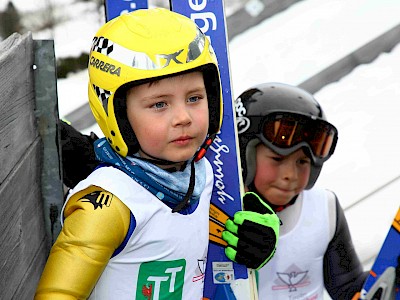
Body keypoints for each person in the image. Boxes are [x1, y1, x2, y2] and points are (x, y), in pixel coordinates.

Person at [34, 8, 279, 299]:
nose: (183, 117)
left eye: (194, 98)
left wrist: (260, 234)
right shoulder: (109, 206)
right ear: (119, 114)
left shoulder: (199, 174)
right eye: (160, 104)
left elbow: (211, 224)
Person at [235, 82, 369, 299]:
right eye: (277, 159)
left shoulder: (324, 209)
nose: (291, 175)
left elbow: (349, 288)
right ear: (244, 154)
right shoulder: (216, 210)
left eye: (303, 162)